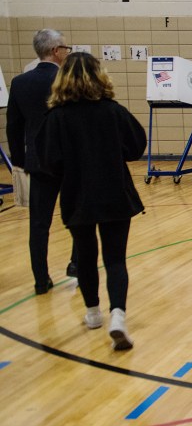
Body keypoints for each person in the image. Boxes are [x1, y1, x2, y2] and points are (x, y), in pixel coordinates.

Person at [36, 52, 146, 350]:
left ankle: (93, 311)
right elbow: (136, 145)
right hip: (114, 192)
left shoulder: (56, 118)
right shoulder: (112, 111)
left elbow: (48, 161)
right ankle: (118, 316)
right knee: (115, 259)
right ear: (100, 76)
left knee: (85, 256)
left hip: (77, 194)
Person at [5, 29, 77, 295]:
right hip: (69, 160)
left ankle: (40, 279)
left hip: (38, 161)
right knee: (77, 214)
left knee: (39, 223)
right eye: (66, 49)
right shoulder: (68, 80)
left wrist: (20, 161)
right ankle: (75, 263)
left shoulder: (20, 83)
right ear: (57, 51)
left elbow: (13, 126)